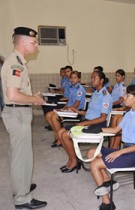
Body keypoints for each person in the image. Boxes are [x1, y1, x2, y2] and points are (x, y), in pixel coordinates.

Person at [1, 27, 47, 209]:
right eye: (34, 42)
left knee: (18, 154)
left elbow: (18, 92)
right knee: (22, 157)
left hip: (18, 112)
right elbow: (13, 95)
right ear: (22, 42)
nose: (36, 46)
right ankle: (22, 198)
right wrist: (33, 99)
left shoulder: (18, 61)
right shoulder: (15, 64)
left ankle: (21, 185)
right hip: (17, 113)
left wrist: (30, 97)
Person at [88, 84, 135, 210]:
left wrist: (119, 153)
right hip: (125, 149)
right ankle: (107, 181)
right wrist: (95, 129)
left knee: (95, 165)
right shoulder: (129, 114)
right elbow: (115, 130)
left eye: (127, 95)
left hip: (134, 153)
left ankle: (107, 202)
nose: (124, 97)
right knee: (91, 152)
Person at [57, 70, 112, 173]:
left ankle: (74, 162)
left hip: (97, 125)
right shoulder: (96, 93)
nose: (91, 80)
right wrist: (79, 112)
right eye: (91, 78)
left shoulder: (105, 96)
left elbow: (102, 118)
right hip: (89, 121)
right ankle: (72, 158)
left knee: (64, 135)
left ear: (101, 80)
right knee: (60, 132)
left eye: (94, 78)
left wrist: (83, 123)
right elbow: (91, 112)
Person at [45, 70, 86, 147]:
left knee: (54, 117)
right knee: (48, 115)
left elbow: (76, 104)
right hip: (70, 109)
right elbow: (69, 102)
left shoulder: (79, 89)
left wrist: (66, 110)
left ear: (79, 79)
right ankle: (57, 136)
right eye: (71, 78)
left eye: (75, 77)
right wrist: (62, 109)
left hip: (76, 111)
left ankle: (60, 140)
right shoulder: (72, 88)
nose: (73, 79)